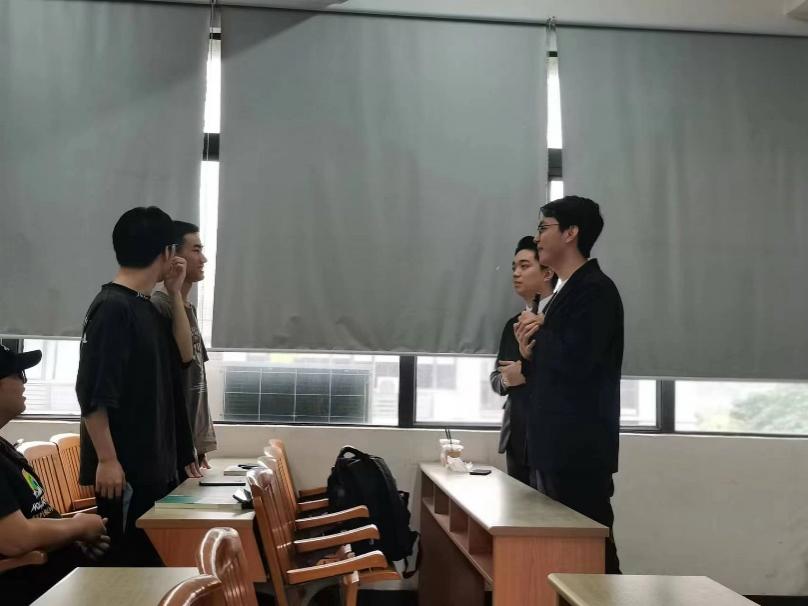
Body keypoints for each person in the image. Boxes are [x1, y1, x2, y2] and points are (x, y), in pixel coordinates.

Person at [76, 206, 201, 566]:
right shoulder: (112, 308)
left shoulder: (144, 306)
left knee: (154, 569)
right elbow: (92, 393)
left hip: (156, 466)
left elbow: (185, 355)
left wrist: (174, 292)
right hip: (128, 471)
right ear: (166, 252)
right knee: (128, 571)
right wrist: (107, 459)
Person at [515, 195, 624, 574]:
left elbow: (578, 361)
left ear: (570, 233)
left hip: (578, 449)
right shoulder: (565, 292)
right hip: (554, 445)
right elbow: (553, 365)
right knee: (565, 558)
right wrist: (529, 351)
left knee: (590, 557)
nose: (537, 238)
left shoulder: (595, 290)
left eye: (543, 228)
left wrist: (540, 334)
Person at [0, 345, 109, 604]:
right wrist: (78, 527)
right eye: (19, 374)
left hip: (59, 573)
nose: (25, 383)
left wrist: (73, 534)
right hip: (30, 587)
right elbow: (15, 540)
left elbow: (34, 519)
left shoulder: (3, 447)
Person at [151, 221, 217, 469]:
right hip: (176, 448)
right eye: (196, 250)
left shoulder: (188, 308)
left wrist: (200, 446)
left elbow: (197, 377)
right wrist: (183, 448)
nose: (203, 259)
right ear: (173, 256)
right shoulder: (160, 307)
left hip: (191, 446)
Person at [490, 236, 556, 484]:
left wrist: (526, 371)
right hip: (516, 437)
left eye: (524, 266)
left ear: (547, 272)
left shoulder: (559, 320)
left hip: (551, 437)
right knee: (517, 506)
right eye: (514, 267)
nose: (516, 273)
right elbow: (496, 381)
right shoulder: (513, 325)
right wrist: (509, 379)